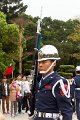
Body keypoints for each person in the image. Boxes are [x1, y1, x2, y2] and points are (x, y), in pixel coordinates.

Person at [31, 45, 72, 120]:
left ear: (54, 63)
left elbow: (66, 110)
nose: (40, 65)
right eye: (39, 62)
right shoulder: (38, 80)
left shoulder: (59, 82)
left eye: (44, 62)